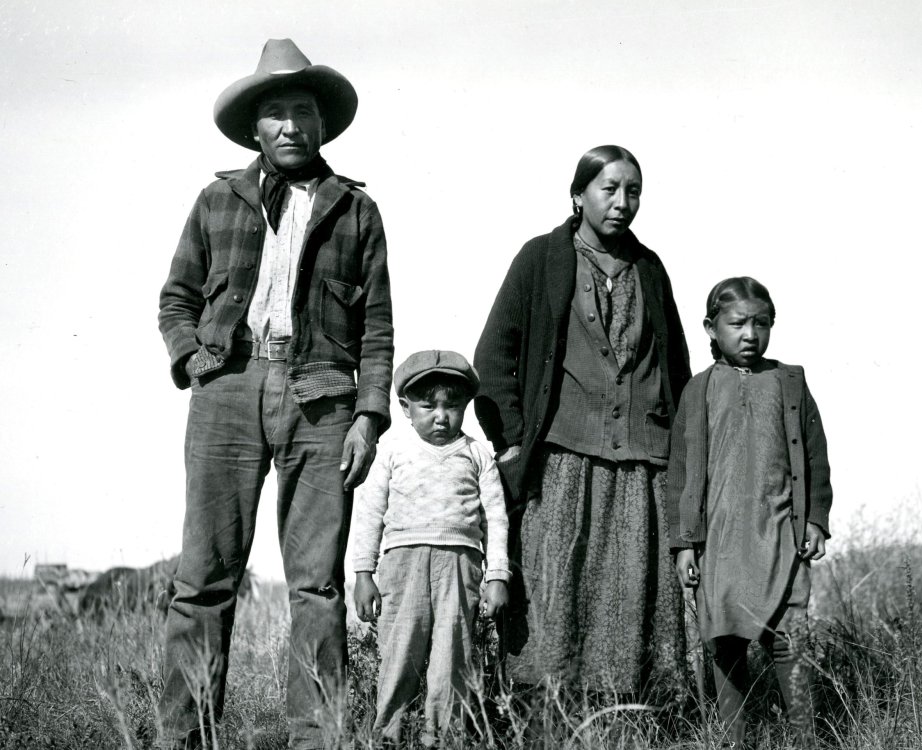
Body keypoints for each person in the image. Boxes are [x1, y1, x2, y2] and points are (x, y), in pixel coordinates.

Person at [156, 38, 393, 750]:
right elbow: (175, 300)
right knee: (203, 579)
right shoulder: (215, 200)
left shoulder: (356, 211)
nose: (291, 126)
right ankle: (184, 739)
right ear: (255, 128)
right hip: (227, 390)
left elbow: (376, 327)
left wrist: (368, 417)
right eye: (277, 114)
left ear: (321, 125)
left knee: (316, 587)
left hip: (322, 400)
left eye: (303, 112)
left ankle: (316, 739)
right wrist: (193, 357)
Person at [473, 145, 691, 701]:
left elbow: (677, 370)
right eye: (609, 189)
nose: (622, 202)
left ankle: (634, 714)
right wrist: (514, 445)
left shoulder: (650, 269)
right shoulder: (542, 259)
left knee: (633, 590)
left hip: (642, 465)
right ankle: (548, 716)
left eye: (633, 191)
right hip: (561, 461)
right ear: (578, 195)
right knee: (556, 591)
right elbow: (493, 359)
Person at [666, 276, 833, 748]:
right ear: (710, 328)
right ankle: (732, 740)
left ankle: (806, 740)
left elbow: (816, 456)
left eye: (761, 323)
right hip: (719, 542)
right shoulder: (697, 392)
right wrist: (683, 544)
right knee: (724, 643)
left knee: (790, 640)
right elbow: (679, 473)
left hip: (780, 533)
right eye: (737, 323)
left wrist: (816, 519)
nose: (750, 334)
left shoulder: (790, 384)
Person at [350, 350, 510, 746]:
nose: (441, 416)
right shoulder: (391, 451)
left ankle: (440, 737)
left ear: (465, 406)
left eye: (452, 405)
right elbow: (370, 513)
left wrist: (497, 576)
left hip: (461, 565)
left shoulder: (477, 455)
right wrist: (363, 574)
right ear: (405, 407)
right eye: (427, 406)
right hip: (403, 566)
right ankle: (386, 735)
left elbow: (495, 518)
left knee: (451, 657)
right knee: (399, 651)